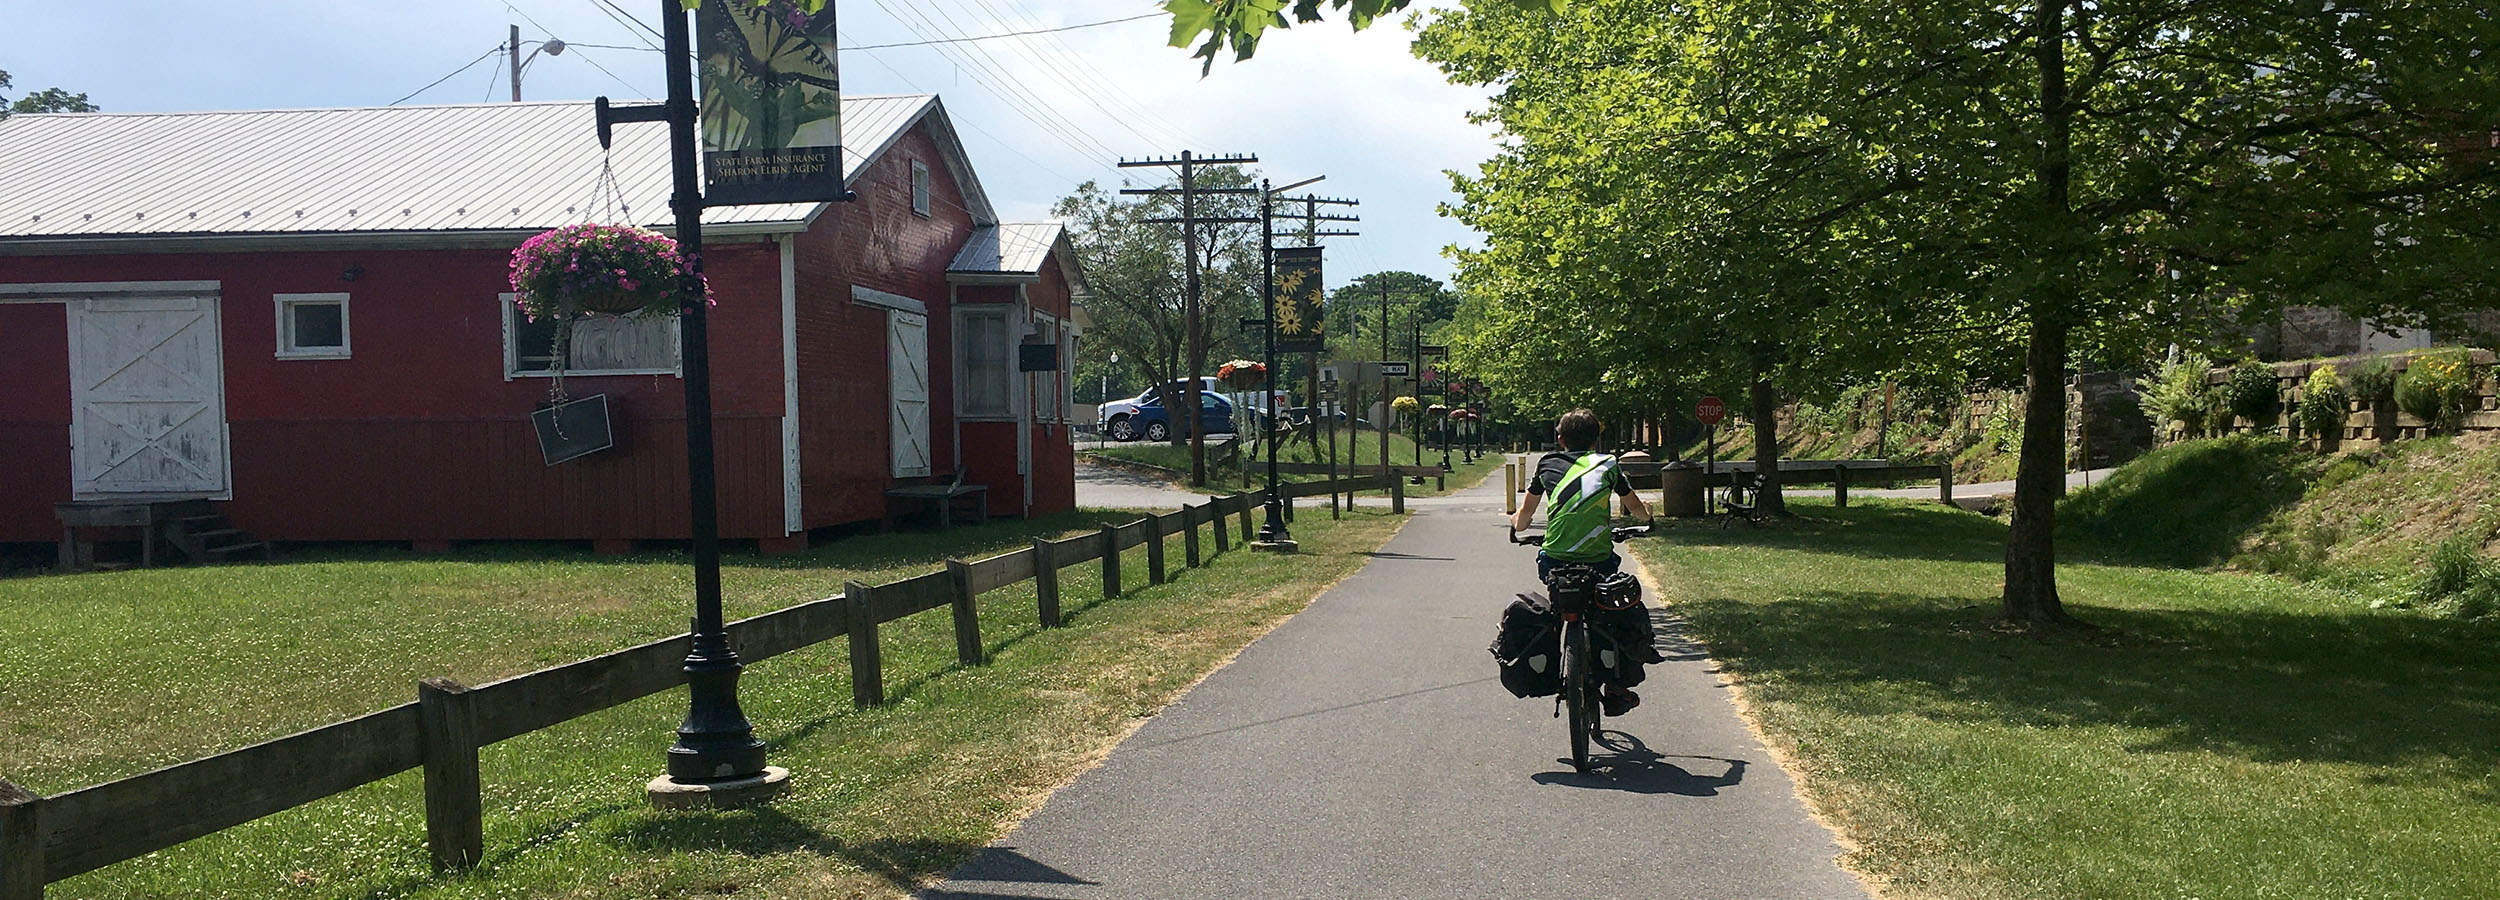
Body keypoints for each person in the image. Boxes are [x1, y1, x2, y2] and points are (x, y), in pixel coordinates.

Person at [1508, 408, 1659, 715]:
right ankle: (1616, 684)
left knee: (1557, 606)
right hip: (1599, 561)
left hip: (1554, 561)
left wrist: (1515, 523)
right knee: (1613, 614)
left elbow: (1524, 520)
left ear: (1560, 439)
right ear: (1596, 440)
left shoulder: (1546, 463)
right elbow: (1636, 509)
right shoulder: (1608, 464)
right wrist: (1648, 515)